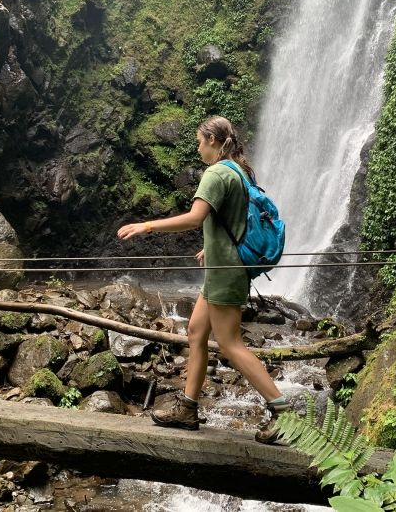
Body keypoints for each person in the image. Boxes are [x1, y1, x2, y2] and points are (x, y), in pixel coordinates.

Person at [117, 115, 290, 444]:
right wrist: (211, 248)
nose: (197, 148)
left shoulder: (216, 173)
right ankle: (188, 407)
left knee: (230, 344)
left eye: (199, 141)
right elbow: (231, 221)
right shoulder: (239, 171)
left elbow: (197, 218)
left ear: (212, 140)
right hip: (223, 267)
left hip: (226, 273)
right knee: (196, 331)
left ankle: (283, 411)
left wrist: (146, 226)